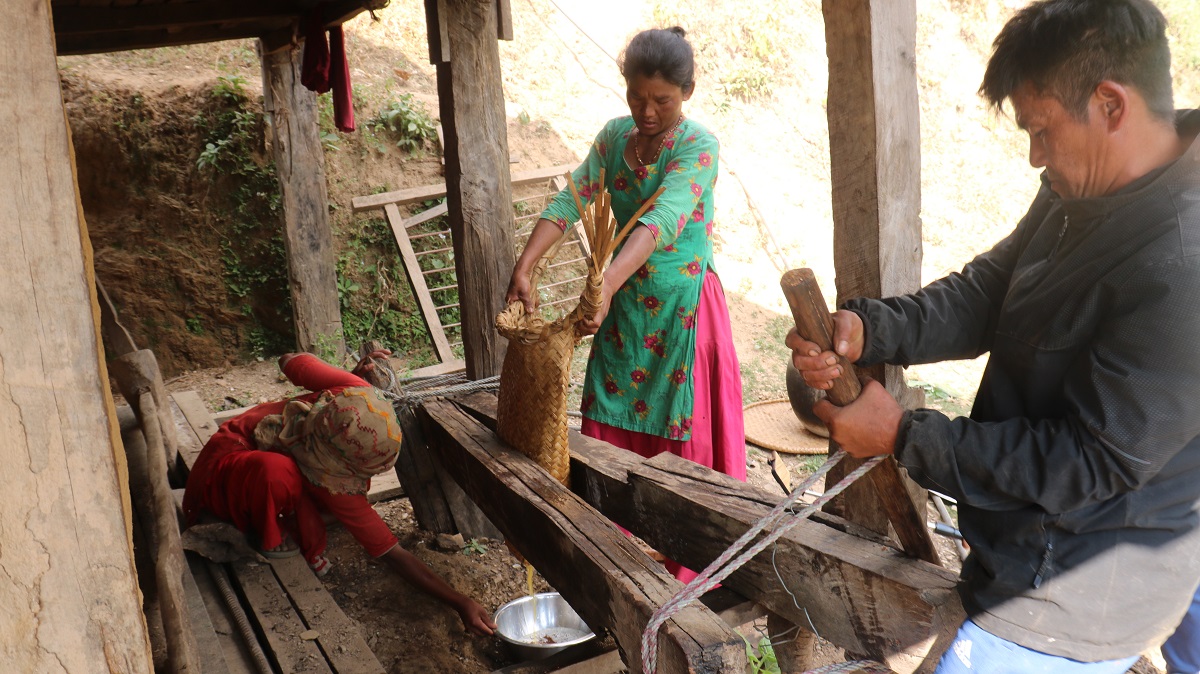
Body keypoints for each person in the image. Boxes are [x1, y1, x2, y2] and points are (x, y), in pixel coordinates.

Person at [786, 0, 1200, 671]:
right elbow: (990, 291)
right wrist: (871, 329)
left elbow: (1090, 461)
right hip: (1021, 555)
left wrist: (901, 435)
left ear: (1110, 105)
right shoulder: (1085, 185)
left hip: (1071, 597)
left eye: (1041, 130)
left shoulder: (1184, 266)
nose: (1035, 156)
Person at [505, 27, 746, 582]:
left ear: (687, 92)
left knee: (680, 426)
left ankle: (684, 563)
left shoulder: (697, 147)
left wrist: (606, 284)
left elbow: (662, 219)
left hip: (683, 312)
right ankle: (613, 554)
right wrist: (526, 265)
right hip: (624, 307)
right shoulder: (616, 138)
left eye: (662, 100)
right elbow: (573, 197)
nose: (647, 111)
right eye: (637, 97)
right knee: (609, 418)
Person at [182, 350, 496, 636]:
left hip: (271, 474)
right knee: (279, 472)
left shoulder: (355, 392)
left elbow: (391, 551)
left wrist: (460, 602)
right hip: (226, 467)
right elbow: (288, 360)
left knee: (304, 484)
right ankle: (270, 531)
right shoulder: (337, 457)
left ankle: (284, 510)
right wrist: (459, 602)